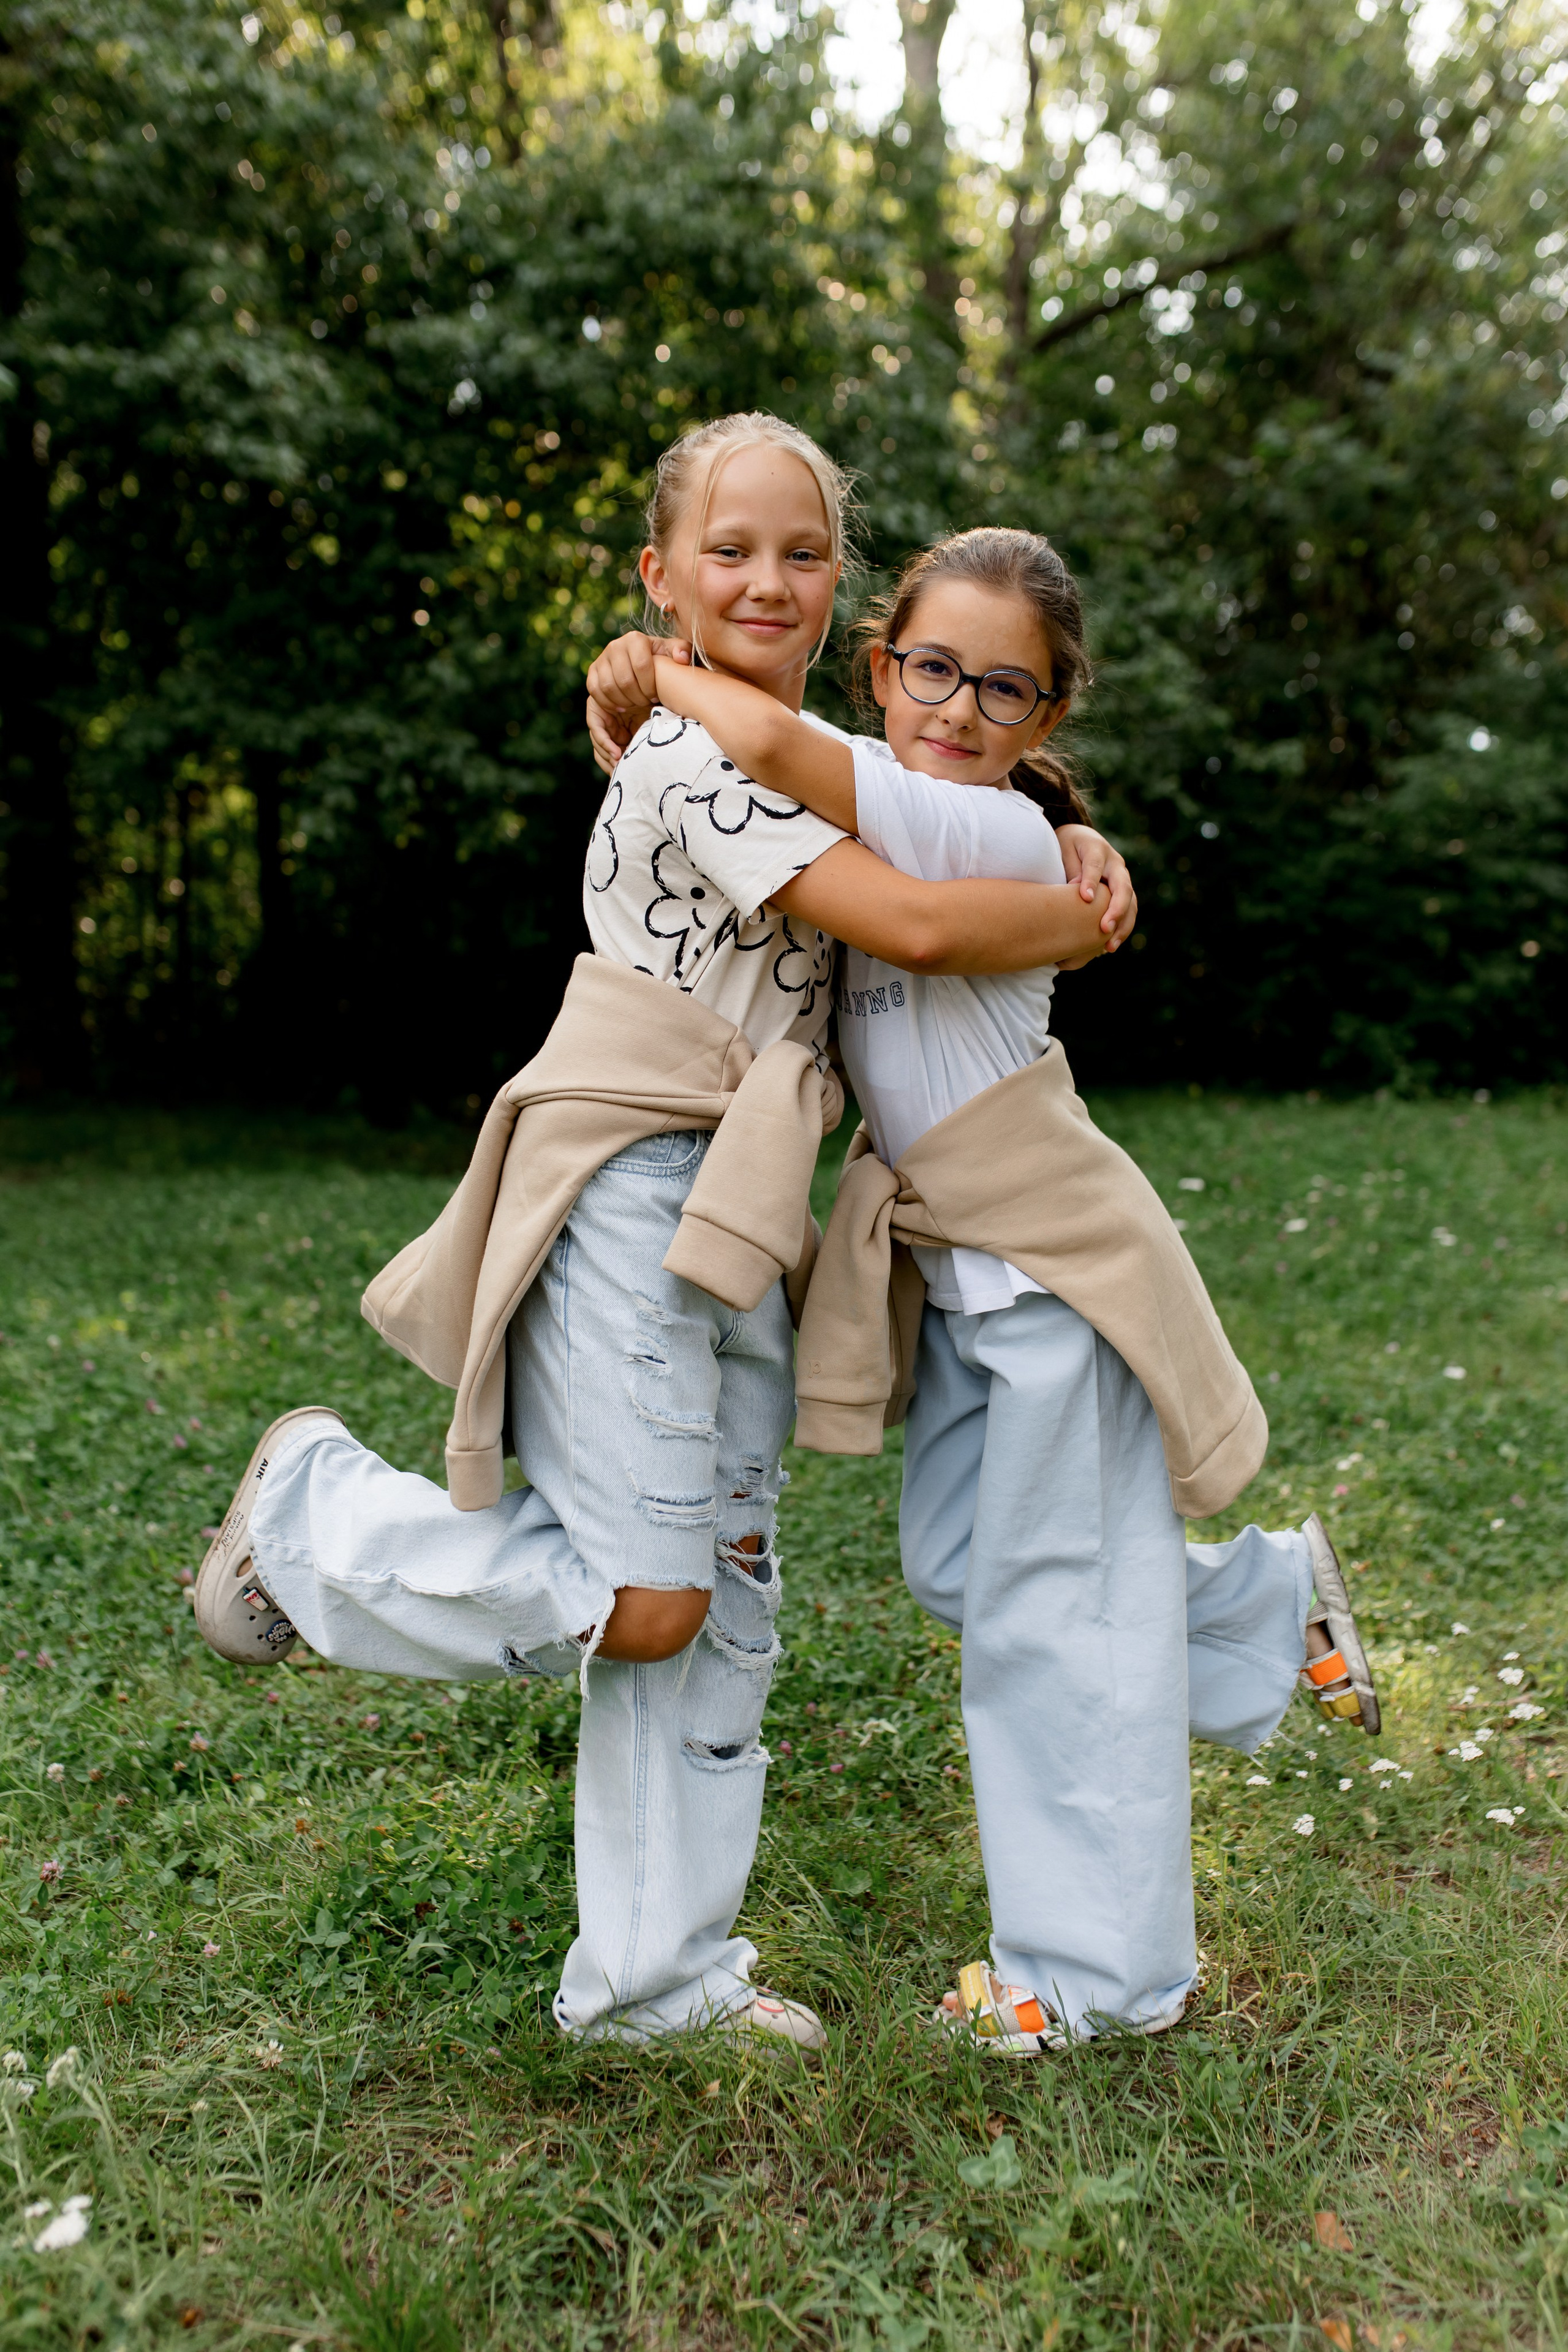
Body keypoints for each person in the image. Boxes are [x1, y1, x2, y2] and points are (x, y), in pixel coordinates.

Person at [192, 415, 1133, 2052]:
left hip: (746, 1209)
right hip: (636, 1172)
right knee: (651, 1593)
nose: (765, 577)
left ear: (842, 588)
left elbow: (933, 804)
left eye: (802, 551)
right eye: (728, 550)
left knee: (727, 1591)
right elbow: (906, 916)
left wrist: (1068, 827)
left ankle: (654, 1985)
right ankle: (316, 1524)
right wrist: (1080, 914)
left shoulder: (775, 745)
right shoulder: (711, 756)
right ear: (660, 574)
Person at [585, 522, 1381, 2054]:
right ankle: (1259, 1602)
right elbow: (751, 805)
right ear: (883, 666)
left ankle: (1093, 1976)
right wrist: (653, 679)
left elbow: (762, 732)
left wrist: (658, 659)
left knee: (1044, 1628)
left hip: (1046, 1273)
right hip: (962, 1279)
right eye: (929, 669)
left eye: (999, 690)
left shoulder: (987, 835)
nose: (954, 709)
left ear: (1045, 716)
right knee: (969, 1573)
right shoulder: (909, 825)